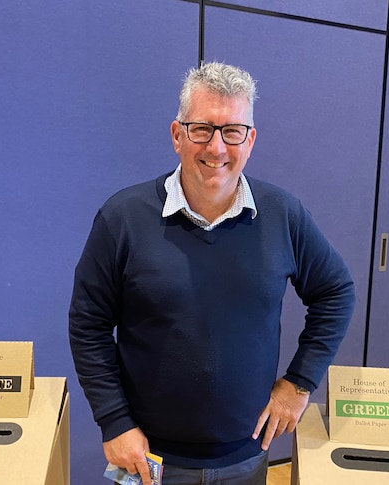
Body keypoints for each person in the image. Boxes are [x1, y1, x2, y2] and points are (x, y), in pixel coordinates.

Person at [69, 62, 355, 485]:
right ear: (177, 135)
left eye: (233, 131)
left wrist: (299, 384)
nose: (217, 147)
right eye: (202, 128)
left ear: (250, 139)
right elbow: (88, 324)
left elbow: (336, 291)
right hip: (148, 458)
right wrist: (113, 421)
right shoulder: (123, 218)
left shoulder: (284, 216)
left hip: (246, 457)